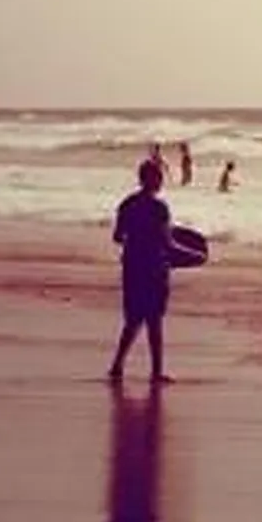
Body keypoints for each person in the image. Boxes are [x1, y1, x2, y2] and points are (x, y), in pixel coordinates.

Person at [106, 160, 175, 383]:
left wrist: (136, 238)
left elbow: (117, 236)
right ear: (152, 179)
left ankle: (117, 364)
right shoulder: (159, 208)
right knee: (154, 321)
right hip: (154, 267)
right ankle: (156, 372)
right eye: (160, 177)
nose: (162, 181)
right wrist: (192, 255)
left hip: (132, 266)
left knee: (133, 319)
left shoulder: (127, 204)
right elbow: (167, 242)